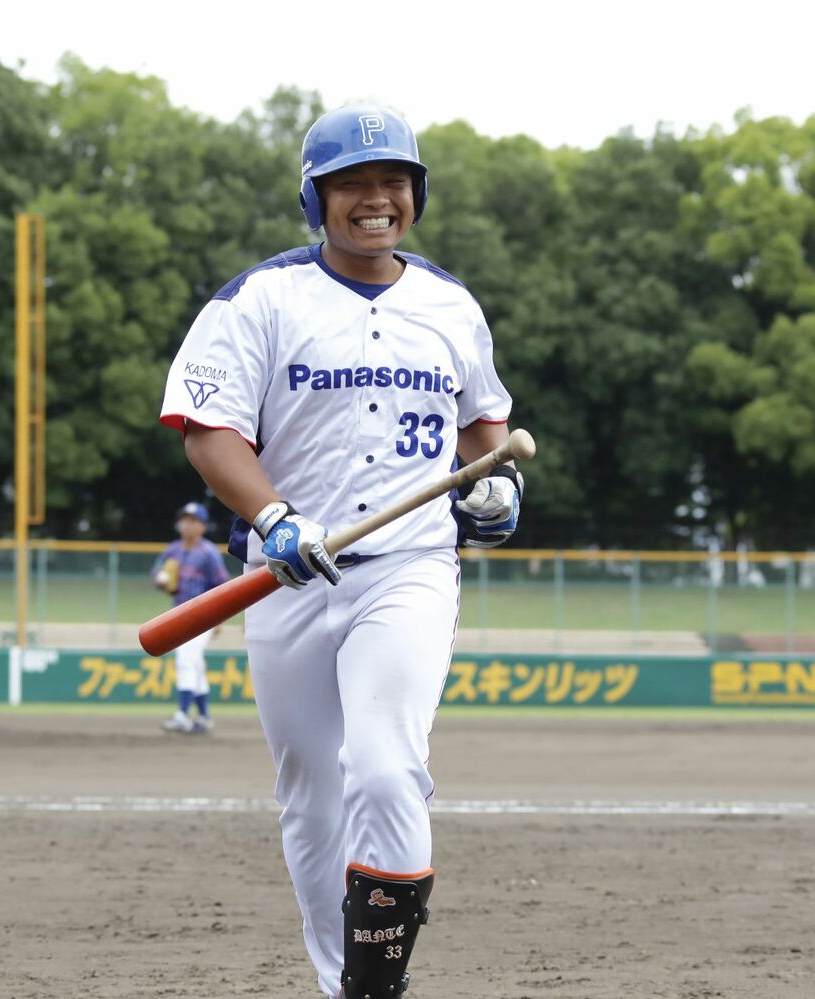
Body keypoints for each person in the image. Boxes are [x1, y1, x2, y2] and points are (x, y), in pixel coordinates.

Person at [158, 105, 523, 998]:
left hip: (408, 569)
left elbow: (485, 426)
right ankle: (340, 982)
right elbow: (209, 434)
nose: (375, 200)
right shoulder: (258, 300)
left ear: (415, 196)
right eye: (352, 184)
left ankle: (374, 990)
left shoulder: (450, 304)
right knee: (314, 799)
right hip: (280, 576)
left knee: (386, 766)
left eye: (393, 182)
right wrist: (275, 516)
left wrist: (496, 490)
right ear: (315, 198)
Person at [152, 501, 231, 734]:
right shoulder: (172, 550)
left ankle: (183, 715)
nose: (188, 524)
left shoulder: (208, 553)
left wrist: (219, 620)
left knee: (187, 660)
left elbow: (221, 586)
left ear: (203, 526)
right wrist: (161, 579)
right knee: (194, 663)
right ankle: (204, 717)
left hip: (202, 616)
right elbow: (156, 572)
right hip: (178, 615)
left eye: (194, 520)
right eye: (185, 519)